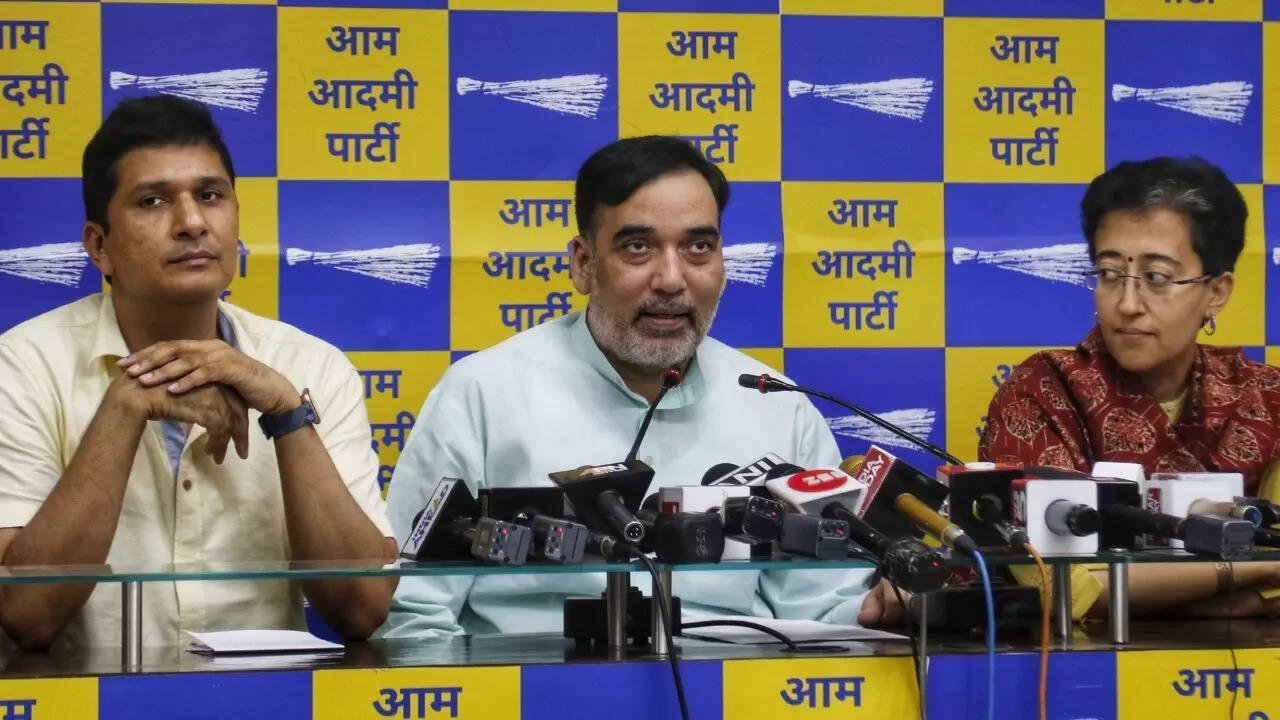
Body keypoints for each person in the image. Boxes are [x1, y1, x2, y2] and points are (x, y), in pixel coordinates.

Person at [383, 136, 898, 638]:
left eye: (699, 247)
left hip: (735, 675)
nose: (672, 279)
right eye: (638, 247)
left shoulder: (774, 402)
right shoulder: (483, 393)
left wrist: (880, 609)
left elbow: (823, 606)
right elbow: (412, 614)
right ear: (584, 264)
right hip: (533, 674)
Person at [0, 96, 397, 650]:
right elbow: (26, 613)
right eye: (153, 201)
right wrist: (124, 407)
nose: (191, 223)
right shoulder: (22, 365)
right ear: (99, 246)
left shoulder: (311, 366)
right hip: (90, 693)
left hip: (265, 693)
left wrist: (287, 415)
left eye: (210, 196)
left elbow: (363, 607)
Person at [980, 156, 1280, 619]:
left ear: (1216, 292)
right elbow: (1064, 584)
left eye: (1156, 278)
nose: (1127, 303)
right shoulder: (1041, 392)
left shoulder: (1267, 397)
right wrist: (1247, 574)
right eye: (1109, 273)